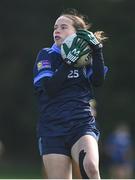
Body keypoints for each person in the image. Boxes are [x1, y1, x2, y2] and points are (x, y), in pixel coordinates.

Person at [33, 8, 108, 179]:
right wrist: (68, 63)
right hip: (52, 129)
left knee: (90, 167)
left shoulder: (85, 58)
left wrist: (97, 51)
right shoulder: (46, 55)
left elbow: (98, 81)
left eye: (63, 27)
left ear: (77, 33)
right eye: (55, 27)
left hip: (81, 124)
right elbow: (50, 89)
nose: (57, 30)